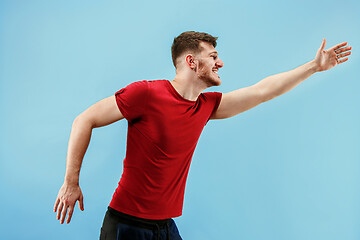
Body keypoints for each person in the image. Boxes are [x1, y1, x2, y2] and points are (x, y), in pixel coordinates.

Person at [53, 31, 352, 239]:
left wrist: (314, 66)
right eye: (213, 56)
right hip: (126, 225)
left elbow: (262, 91)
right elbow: (85, 119)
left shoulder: (206, 107)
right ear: (191, 62)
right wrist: (71, 181)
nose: (220, 63)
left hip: (165, 227)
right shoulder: (146, 93)